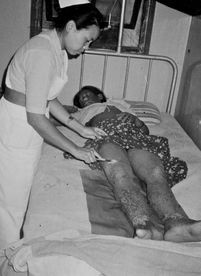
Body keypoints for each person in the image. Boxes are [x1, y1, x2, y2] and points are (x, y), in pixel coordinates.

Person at [0, 0, 107, 249]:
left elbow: (47, 97)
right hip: (18, 127)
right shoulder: (42, 52)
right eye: (86, 40)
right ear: (71, 26)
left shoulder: (56, 48)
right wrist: (76, 150)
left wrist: (80, 128)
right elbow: (36, 116)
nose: (86, 47)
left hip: (26, 129)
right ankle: (7, 256)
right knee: (10, 204)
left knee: (19, 195)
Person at [64, 85, 201, 242]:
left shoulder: (120, 104)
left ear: (100, 96)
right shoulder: (77, 113)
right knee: (120, 174)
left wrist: (136, 122)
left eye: (87, 94)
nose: (84, 98)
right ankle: (144, 224)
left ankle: (177, 223)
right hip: (105, 136)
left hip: (135, 136)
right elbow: (50, 110)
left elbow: (144, 129)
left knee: (155, 173)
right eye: (81, 98)